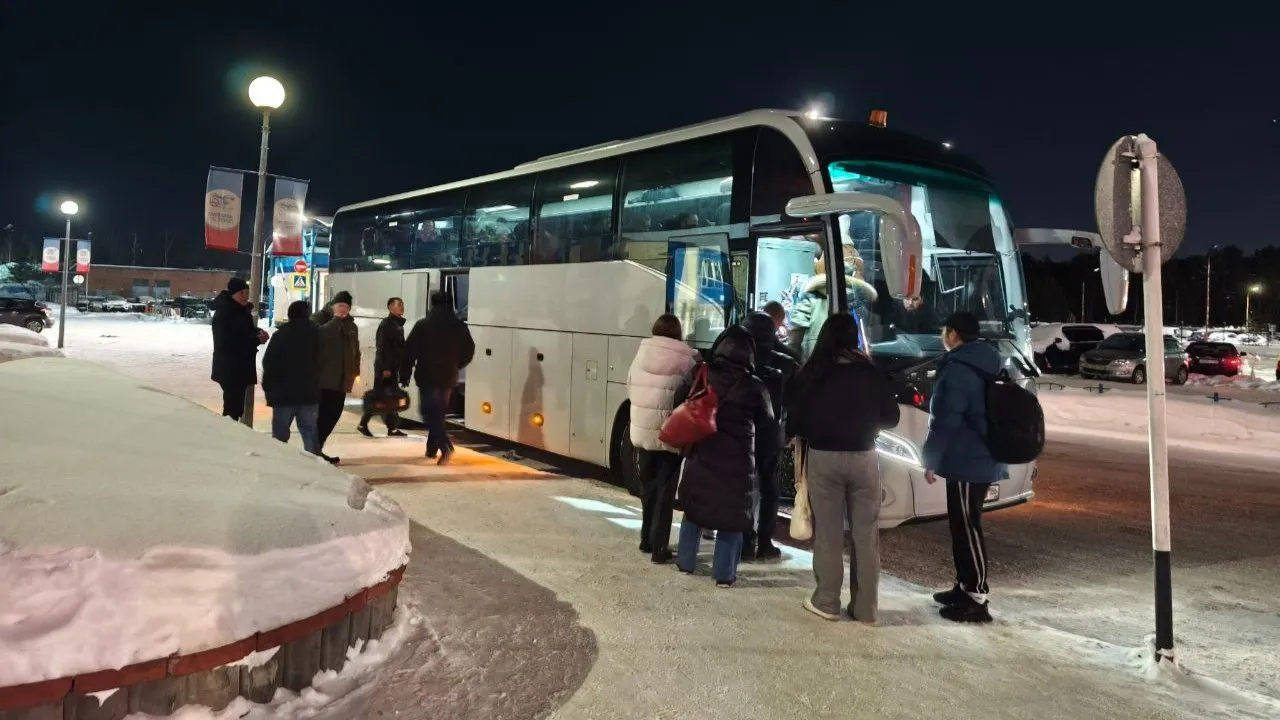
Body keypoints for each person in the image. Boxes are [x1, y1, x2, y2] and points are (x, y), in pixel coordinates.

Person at [788, 314, 900, 623]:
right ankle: (865, 608)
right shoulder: (870, 372)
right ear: (856, 339)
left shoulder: (813, 372)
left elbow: (795, 419)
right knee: (866, 535)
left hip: (824, 458)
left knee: (828, 533)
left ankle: (826, 602)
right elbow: (891, 418)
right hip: (865, 457)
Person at [923, 311, 1005, 624]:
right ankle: (964, 586)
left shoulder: (959, 369)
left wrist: (931, 460)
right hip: (977, 456)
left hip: (968, 461)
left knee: (968, 525)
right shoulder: (984, 360)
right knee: (962, 524)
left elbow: (945, 420)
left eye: (945, 330)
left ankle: (977, 596)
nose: (943, 335)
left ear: (954, 334)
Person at [676, 326, 773, 588]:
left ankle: (685, 562)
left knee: (695, 508)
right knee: (731, 517)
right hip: (738, 460)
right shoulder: (755, 386)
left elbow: (680, 398)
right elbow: (768, 419)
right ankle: (723, 574)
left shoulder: (702, 372)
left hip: (703, 449)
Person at [626, 313, 699, 564]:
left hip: (643, 432)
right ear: (678, 333)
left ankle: (645, 539)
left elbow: (630, 386)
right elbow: (690, 396)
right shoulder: (688, 359)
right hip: (671, 432)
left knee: (648, 487)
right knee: (665, 491)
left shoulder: (641, 353)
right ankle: (659, 548)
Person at [741, 312, 798, 562]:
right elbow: (797, 403)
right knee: (769, 489)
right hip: (773, 432)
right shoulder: (788, 363)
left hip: (741, 431)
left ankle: (742, 542)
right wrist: (791, 432)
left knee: (741, 485)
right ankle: (764, 542)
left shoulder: (738, 357)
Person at [402, 290, 475, 465]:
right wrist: (457, 365)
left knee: (428, 413)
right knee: (439, 413)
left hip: (427, 375)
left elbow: (409, 351)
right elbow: (469, 351)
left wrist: (404, 373)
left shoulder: (423, 325)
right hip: (448, 377)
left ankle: (445, 446)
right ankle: (431, 448)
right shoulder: (459, 326)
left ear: (432, 305)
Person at [261, 300, 321, 455]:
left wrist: (268, 388)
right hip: (309, 392)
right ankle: (316, 466)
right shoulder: (317, 334)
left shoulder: (281, 335)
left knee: (280, 436)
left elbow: (269, 363)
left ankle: (282, 465)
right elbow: (323, 361)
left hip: (283, 394)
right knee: (309, 431)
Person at [312, 291, 360, 464]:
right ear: (333, 305)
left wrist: (355, 371)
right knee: (320, 417)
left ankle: (317, 449)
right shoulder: (320, 317)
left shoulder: (351, 325)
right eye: (341, 306)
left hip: (341, 381)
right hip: (322, 379)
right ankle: (313, 451)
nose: (344, 310)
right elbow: (317, 337)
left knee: (333, 416)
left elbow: (356, 351)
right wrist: (336, 320)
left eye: (347, 307)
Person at [210, 277, 267, 421]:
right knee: (232, 408)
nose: (245, 296)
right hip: (230, 367)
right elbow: (228, 342)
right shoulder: (225, 313)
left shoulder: (240, 311)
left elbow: (245, 330)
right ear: (233, 293)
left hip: (239, 366)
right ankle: (228, 437)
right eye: (242, 292)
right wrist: (255, 340)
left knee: (236, 407)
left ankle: (232, 434)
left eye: (246, 292)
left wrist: (258, 332)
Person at [358, 297, 408, 438]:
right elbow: (382, 347)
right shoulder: (387, 325)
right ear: (391, 308)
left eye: (402, 304)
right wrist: (385, 368)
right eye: (399, 305)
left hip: (392, 367)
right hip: (385, 368)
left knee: (388, 397)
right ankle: (364, 424)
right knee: (379, 396)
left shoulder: (397, 324)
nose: (402, 307)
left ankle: (391, 428)